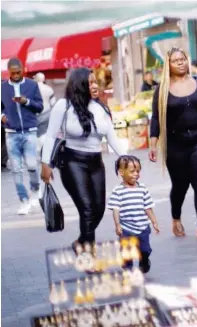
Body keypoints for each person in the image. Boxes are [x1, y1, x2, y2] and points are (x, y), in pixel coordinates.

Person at [41, 68, 127, 250]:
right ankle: (88, 252)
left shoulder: (100, 107)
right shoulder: (63, 106)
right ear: (79, 85)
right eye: (90, 83)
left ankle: (81, 242)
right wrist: (45, 164)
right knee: (87, 210)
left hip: (96, 163)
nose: (95, 86)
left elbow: (112, 137)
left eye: (96, 82)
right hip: (72, 162)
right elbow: (50, 136)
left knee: (99, 209)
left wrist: (127, 158)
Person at [149, 47, 197, 242]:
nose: (181, 62)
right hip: (175, 144)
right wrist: (153, 144)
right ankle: (176, 218)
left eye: (183, 59)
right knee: (180, 185)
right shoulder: (162, 90)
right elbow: (156, 119)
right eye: (176, 60)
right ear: (169, 65)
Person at [1, 58, 43, 215]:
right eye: (13, 73)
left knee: (32, 166)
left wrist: (26, 101)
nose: (16, 75)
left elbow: (39, 107)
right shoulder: (2, 88)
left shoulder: (32, 85)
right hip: (11, 134)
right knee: (16, 170)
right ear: (8, 72)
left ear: (23, 70)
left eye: (19, 72)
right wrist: (1, 117)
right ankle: (23, 200)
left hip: (30, 131)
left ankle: (35, 189)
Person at [108, 155, 160, 273]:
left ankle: (144, 260)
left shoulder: (142, 188)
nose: (136, 174)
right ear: (121, 172)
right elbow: (115, 209)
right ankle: (128, 269)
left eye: (138, 171)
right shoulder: (118, 191)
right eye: (132, 171)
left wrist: (154, 221)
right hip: (126, 228)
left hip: (142, 227)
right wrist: (117, 224)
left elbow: (147, 207)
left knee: (145, 250)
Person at [33, 72, 56, 156]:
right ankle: (44, 152)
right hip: (46, 114)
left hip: (34, 114)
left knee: (34, 134)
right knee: (44, 134)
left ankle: (36, 152)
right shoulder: (49, 89)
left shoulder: (32, 88)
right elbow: (53, 103)